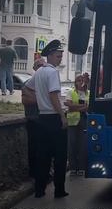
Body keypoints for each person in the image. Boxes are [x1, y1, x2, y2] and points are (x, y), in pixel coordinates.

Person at [25, 40, 69, 198]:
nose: (60, 59)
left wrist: (38, 99)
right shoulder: (52, 73)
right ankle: (59, 190)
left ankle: (39, 190)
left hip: (41, 118)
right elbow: (53, 95)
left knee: (42, 156)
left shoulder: (40, 72)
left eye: (61, 56)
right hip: (53, 118)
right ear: (49, 56)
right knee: (60, 156)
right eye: (58, 56)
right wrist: (62, 116)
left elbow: (27, 88)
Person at [21, 58, 46, 178]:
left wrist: (38, 97)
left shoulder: (45, 83)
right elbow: (25, 100)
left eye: (43, 66)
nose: (41, 68)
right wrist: (42, 99)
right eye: (39, 65)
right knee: (33, 148)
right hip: (33, 119)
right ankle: (33, 173)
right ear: (35, 68)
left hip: (45, 120)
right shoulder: (28, 83)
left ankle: (43, 172)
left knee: (44, 148)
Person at [65, 73, 90, 176]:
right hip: (72, 120)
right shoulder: (71, 92)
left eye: (82, 80)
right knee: (72, 144)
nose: (80, 82)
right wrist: (81, 106)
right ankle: (72, 167)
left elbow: (88, 107)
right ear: (75, 82)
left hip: (84, 119)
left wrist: (75, 106)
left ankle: (81, 167)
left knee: (82, 144)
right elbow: (68, 105)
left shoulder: (87, 93)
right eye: (78, 80)